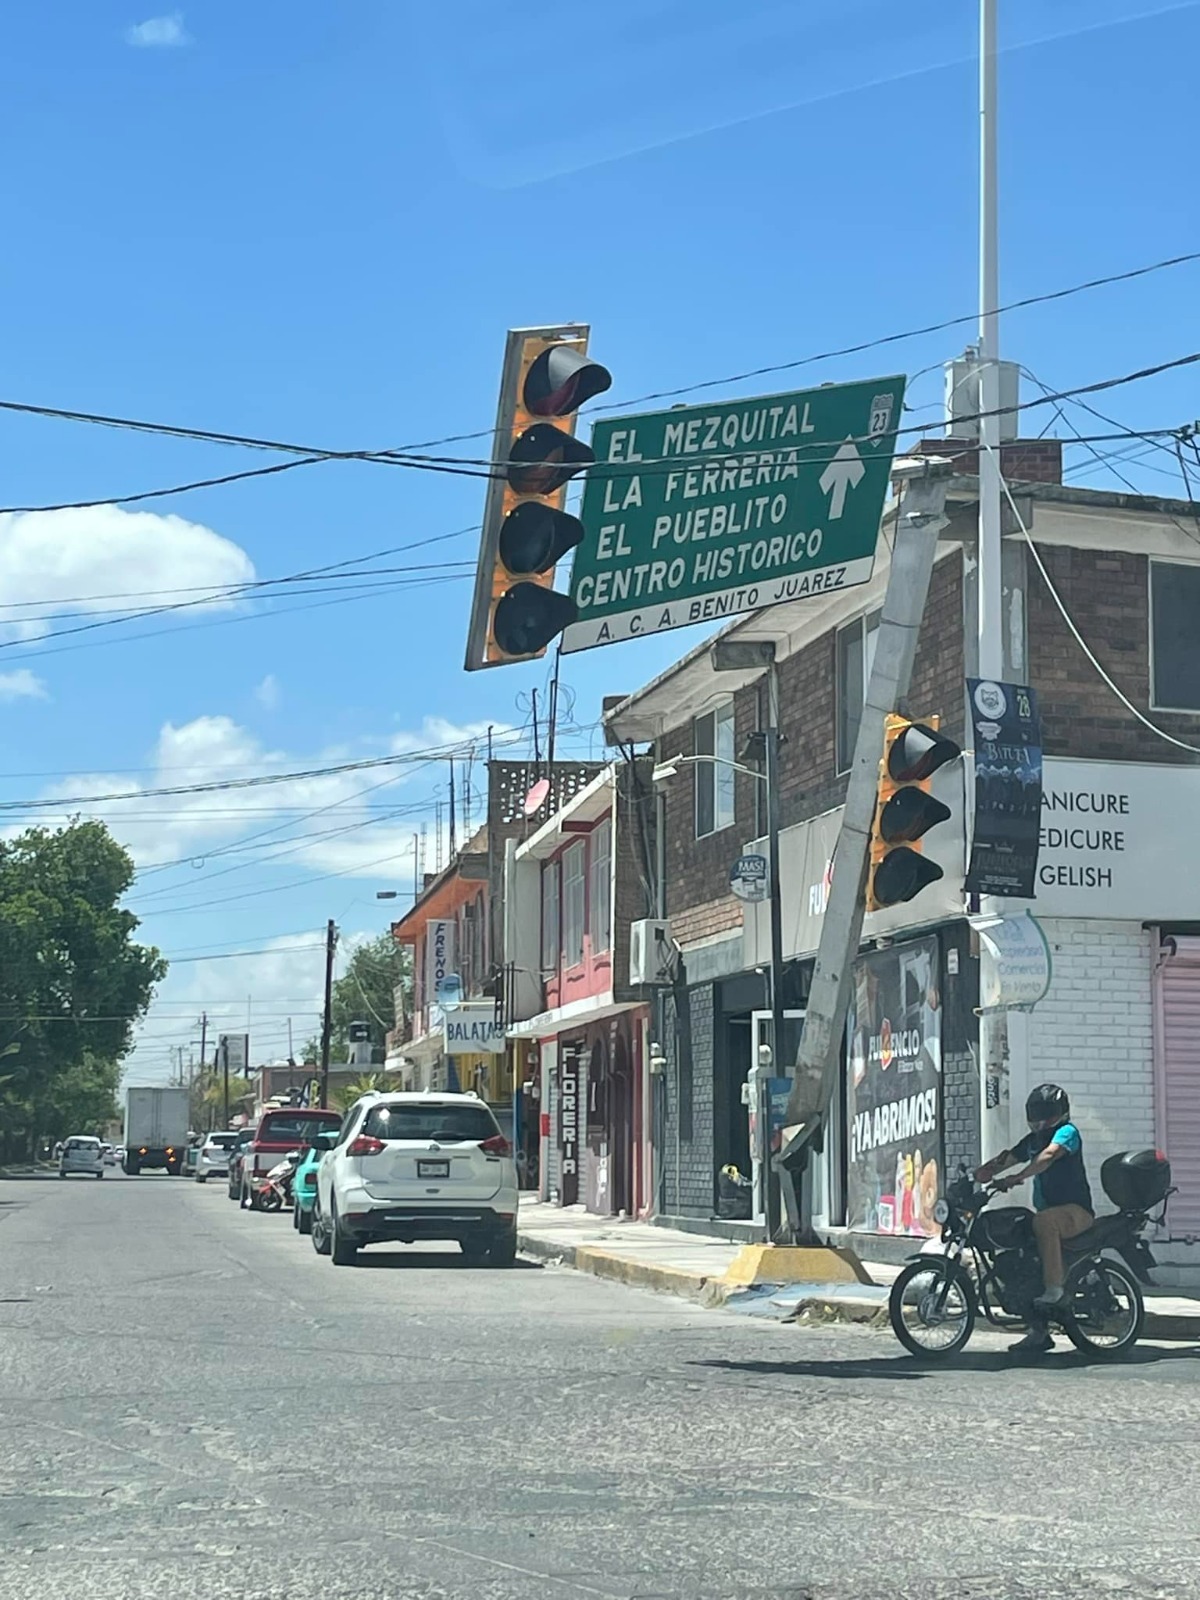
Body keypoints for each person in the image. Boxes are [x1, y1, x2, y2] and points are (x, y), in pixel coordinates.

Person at [974, 1083, 1094, 1355]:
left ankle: (1054, 1289)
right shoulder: (1032, 1141)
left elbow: (1048, 1157)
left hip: (1077, 1212)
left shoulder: (1067, 1133)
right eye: (1036, 1112)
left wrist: (1017, 1178)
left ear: (1061, 1111)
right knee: (1022, 1256)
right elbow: (1008, 1158)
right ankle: (1038, 1332)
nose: (1041, 1119)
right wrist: (980, 1173)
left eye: (1046, 1112)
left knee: (1043, 1222)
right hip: (1050, 1212)